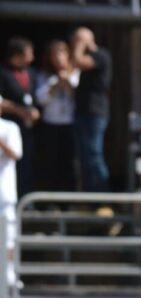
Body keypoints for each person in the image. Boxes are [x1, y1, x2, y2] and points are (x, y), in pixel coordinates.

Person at [35, 40, 80, 192]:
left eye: (61, 54)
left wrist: (66, 82)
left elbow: (80, 97)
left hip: (70, 123)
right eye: (54, 55)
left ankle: (70, 198)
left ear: (68, 55)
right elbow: (40, 99)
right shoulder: (44, 76)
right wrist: (54, 86)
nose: (58, 59)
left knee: (70, 162)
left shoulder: (76, 73)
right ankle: (51, 199)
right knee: (51, 162)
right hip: (51, 123)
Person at [71, 27, 112, 192]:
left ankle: (103, 198)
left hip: (95, 113)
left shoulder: (101, 55)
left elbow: (77, 62)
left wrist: (80, 45)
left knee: (94, 156)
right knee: (84, 158)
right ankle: (88, 197)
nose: (74, 44)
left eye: (77, 40)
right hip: (81, 112)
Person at [0, 37, 38, 198]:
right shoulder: (3, 73)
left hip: (28, 128)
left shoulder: (31, 72)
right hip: (7, 125)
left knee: (27, 164)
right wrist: (18, 110)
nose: (32, 57)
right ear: (18, 55)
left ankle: (26, 198)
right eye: (29, 53)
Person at [0, 95, 22, 287]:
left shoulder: (10, 128)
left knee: (8, 239)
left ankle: (9, 276)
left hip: (4, 194)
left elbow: (15, 154)